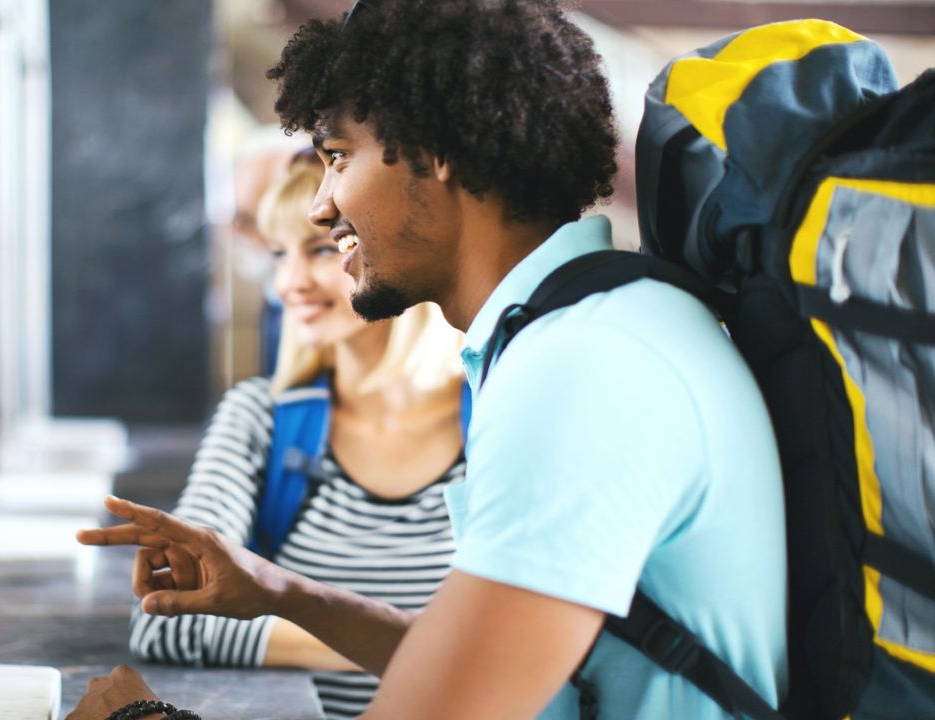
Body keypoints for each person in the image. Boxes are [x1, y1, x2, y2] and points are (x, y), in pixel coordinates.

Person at [71, 1, 787, 718]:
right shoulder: (579, 332)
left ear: (434, 148)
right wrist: (279, 592)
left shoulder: (582, 368)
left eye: (338, 157)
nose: (322, 206)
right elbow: (490, 666)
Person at [127, 155, 467, 720]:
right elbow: (166, 616)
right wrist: (414, 650)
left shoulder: (499, 417)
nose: (289, 283)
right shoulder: (259, 418)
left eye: (319, 248)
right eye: (278, 255)